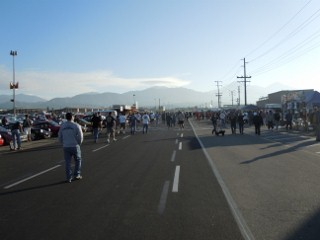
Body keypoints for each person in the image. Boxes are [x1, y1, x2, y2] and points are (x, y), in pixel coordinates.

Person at [58, 112, 83, 183]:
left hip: (66, 146)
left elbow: (59, 136)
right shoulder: (76, 125)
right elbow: (81, 136)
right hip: (75, 145)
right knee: (78, 160)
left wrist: (63, 143)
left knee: (67, 162)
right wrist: (79, 143)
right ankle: (77, 174)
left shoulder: (62, 126)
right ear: (72, 117)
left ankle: (69, 178)